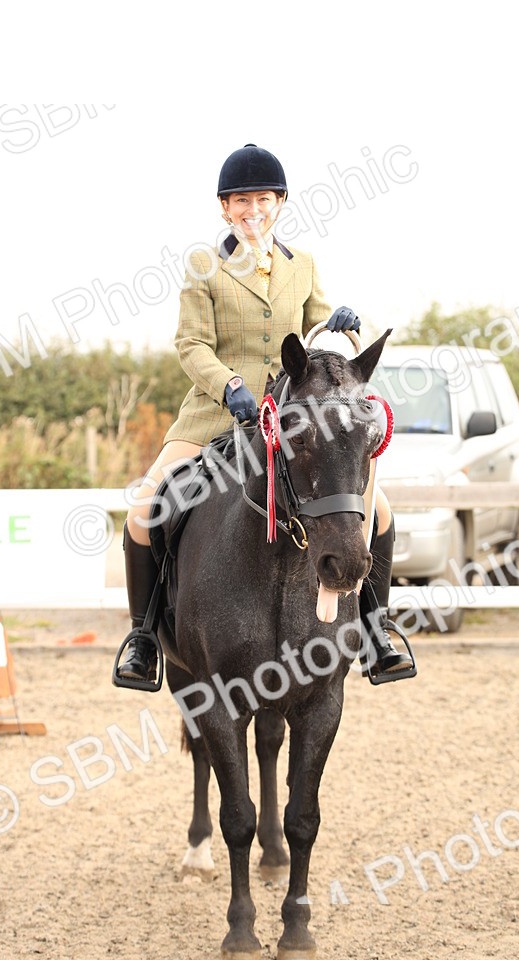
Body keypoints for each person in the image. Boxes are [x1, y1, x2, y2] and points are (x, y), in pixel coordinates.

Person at [114, 143, 414, 687]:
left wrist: (347, 320)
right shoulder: (204, 267)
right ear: (225, 208)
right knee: (143, 511)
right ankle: (142, 639)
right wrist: (229, 384)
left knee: (382, 511)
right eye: (241, 200)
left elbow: (324, 330)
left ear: (279, 203)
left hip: (296, 418)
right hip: (215, 414)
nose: (253, 209)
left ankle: (376, 628)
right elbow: (191, 343)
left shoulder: (304, 266)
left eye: (263, 199)